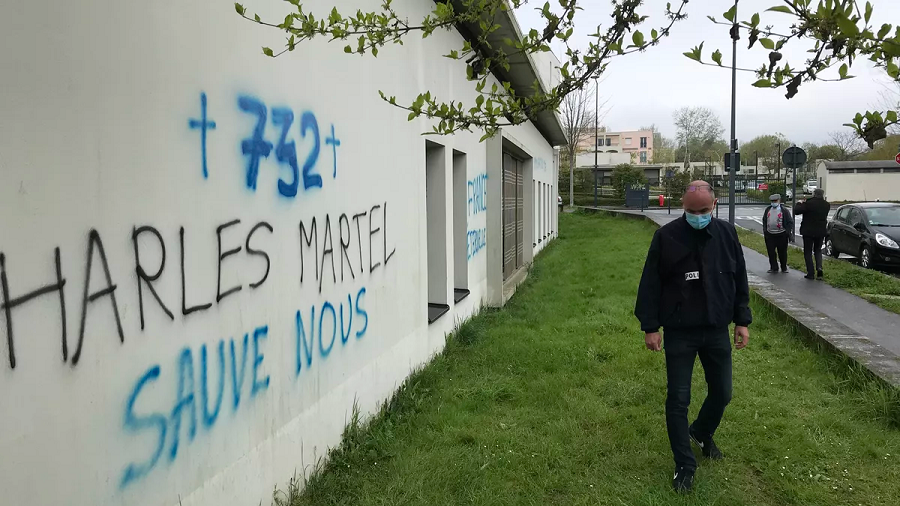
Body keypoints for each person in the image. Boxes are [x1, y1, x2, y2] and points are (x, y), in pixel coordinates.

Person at [634, 181, 752, 494]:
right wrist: (650, 326)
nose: (697, 216)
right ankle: (684, 464)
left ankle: (701, 431)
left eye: (703, 211)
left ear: (714, 206)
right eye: (691, 211)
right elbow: (650, 283)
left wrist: (742, 320)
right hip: (679, 332)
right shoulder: (667, 237)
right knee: (678, 399)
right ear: (683, 207)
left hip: (716, 330)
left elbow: (739, 277)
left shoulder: (727, 234)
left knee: (723, 392)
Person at [794, 188, 830, 280]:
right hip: (820, 231)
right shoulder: (826, 205)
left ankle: (810, 273)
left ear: (814, 194)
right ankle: (819, 268)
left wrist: (799, 203)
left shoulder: (809, 203)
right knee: (817, 250)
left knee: (808, 252)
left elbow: (796, 211)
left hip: (808, 231)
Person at [762, 194, 794, 274]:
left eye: (775, 201)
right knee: (771, 252)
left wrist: (787, 232)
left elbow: (790, 222)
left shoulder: (784, 210)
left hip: (781, 235)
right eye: (772, 201)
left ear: (779, 201)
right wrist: (765, 231)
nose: (773, 203)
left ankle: (784, 267)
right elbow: (765, 220)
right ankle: (773, 267)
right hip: (770, 235)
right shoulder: (768, 209)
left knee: (782, 252)